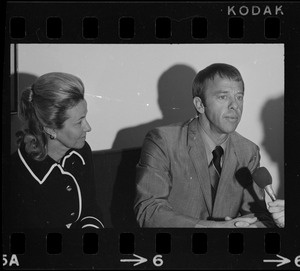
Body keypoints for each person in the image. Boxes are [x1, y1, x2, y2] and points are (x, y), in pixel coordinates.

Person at [134, 63, 275, 228]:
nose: (235, 105)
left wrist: (254, 226)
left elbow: (257, 214)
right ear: (200, 105)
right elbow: (148, 211)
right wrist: (213, 228)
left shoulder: (248, 151)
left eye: (239, 97)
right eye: (223, 97)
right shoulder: (163, 141)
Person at [9, 72, 104, 230]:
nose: (88, 127)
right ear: (50, 129)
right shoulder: (15, 175)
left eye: (85, 118)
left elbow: (91, 210)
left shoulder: (81, 152)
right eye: (79, 122)